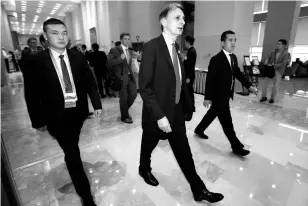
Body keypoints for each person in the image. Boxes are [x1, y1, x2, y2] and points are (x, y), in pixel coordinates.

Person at [138, 3, 224, 203]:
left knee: (184, 153)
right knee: (148, 144)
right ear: (163, 21)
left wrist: (188, 105)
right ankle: (144, 169)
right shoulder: (152, 47)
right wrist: (158, 115)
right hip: (157, 114)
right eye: (177, 18)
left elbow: (180, 79)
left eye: (184, 19)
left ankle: (199, 189)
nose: (183, 22)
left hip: (175, 113)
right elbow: (145, 87)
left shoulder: (176, 48)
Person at [23, 18, 102, 206]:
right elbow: (31, 93)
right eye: (55, 33)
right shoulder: (35, 61)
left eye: (64, 32)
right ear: (45, 36)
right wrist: (37, 121)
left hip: (78, 113)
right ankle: (86, 196)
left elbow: (90, 82)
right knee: (73, 152)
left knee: (71, 147)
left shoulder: (77, 56)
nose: (61, 37)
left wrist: (97, 104)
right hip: (55, 116)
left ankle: (71, 158)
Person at [194, 30, 257, 157]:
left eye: (235, 40)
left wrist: (249, 85)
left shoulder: (233, 57)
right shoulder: (216, 59)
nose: (233, 43)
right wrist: (207, 98)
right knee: (227, 122)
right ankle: (236, 146)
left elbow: (237, 73)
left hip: (226, 94)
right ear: (222, 43)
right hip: (219, 96)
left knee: (212, 114)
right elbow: (210, 79)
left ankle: (199, 129)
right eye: (230, 40)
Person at [108, 33, 137, 124]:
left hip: (130, 76)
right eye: (125, 39)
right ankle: (124, 116)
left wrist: (136, 57)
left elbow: (130, 64)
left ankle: (124, 109)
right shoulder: (115, 50)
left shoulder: (130, 50)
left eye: (129, 39)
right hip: (121, 78)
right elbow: (109, 62)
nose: (127, 41)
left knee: (134, 94)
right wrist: (120, 59)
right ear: (121, 40)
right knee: (123, 97)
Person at [260, 39, 290, 103]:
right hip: (270, 70)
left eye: (279, 44)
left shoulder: (286, 54)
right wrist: (267, 61)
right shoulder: (273, 52)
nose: (277, 45)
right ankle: (263, 96)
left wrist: (274, 65)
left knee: (275, 85)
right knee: (265, 83)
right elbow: (268, 58)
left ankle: (272, 98)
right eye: (277, 43)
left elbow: (284, 63)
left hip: (278, 71)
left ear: (284, 45)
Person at [183, 35, 197, 112]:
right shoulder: (190, 51)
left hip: (189, 76)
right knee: (189, 91)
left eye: (185, 42)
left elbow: (190, 66)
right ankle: (190, 106)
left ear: (188, 42)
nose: (184, 43)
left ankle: (191, 107)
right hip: (188, 75)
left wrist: (188, 77)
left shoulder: (192, 52)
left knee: (189, 92)